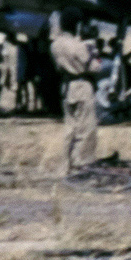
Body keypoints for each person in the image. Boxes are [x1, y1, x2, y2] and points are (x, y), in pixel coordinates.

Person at [51, 9, 100, 172]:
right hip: (82, 85)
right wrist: (93, 50)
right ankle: (83, 163)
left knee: (70, 128)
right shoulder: (79, 46)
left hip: (66, 86)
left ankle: (66, 164)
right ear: (77, 25)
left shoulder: (55, 45)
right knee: (86, 127)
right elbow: (95, 67)